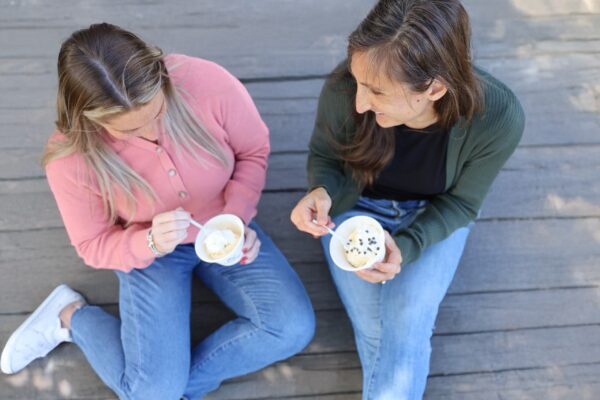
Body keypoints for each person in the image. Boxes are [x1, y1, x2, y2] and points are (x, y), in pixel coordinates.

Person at [1, 23, 315, 400]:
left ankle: (172, 392)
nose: (152, 132)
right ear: (90, 118)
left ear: (160, 77)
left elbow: (252, 150)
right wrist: (148, 241)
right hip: (150, 255)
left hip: (223, 225)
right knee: (152, 391)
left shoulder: (206, 82)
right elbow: (93, 244)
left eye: (157, 112)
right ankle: (70, 316)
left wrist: (236, 216)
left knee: (292, 327)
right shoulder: (72, 158)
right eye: (131, 129)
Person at [290, 0, 524, 398]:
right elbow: (326, 158)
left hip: (435, 214)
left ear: (434, 88)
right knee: (384, 332)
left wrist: (409, 244)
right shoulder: (344, 87)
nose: (359, 102)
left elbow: (463, 204)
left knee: (405, 321)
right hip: (355, 210)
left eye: (376, 91)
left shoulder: (498, 117)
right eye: (358, 81)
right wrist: (321, 192)